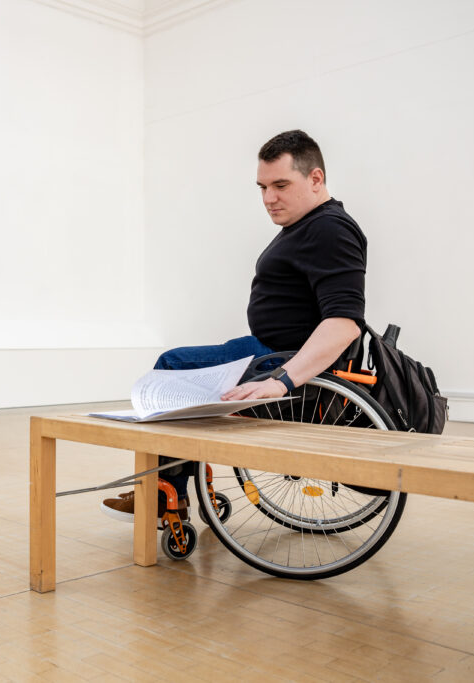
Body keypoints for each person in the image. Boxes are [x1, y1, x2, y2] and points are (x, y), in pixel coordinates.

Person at [102, 129, 367, 523]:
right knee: (183, 367)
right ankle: (176, 481)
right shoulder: (309, 225)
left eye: (280, 185)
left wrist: (281, 381)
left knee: (172, 366)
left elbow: (344, 324)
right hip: (269, 349)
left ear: (316, 178)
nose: (268, 198)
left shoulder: (329, 229)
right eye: (262, 187)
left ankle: (164, 494)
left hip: (280, 360)